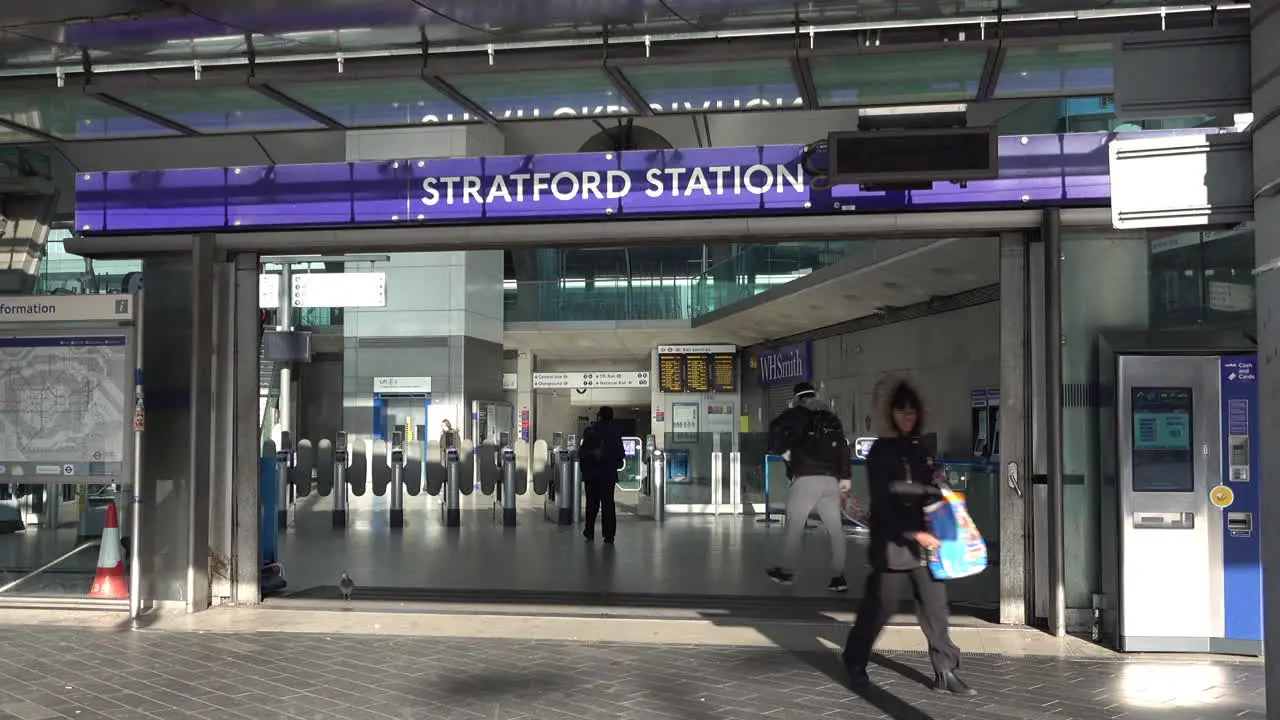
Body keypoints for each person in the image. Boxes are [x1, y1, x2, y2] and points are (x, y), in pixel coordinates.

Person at [842, 379, 975, 696]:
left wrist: (940, 492)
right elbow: (883, 502)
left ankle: (945, 670)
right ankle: (854, 659)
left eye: (911, 410)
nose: (907, 416)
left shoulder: (919, 448)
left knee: (935, 609)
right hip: (892, 544)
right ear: (891, 413)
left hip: (925, 545)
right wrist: (914, 532)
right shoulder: (880, 452)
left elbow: (928, 491)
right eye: (901, 410)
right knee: (879, 608)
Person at [764, 382, 852, 592]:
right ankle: (838, 578)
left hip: (806, 478)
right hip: (831, 480)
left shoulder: (795, 414)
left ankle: (786, 571)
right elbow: (843, 447)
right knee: (836, 530)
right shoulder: (831, 417)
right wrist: (845, 476)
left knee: (794, 526)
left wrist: (783, 451)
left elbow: (775, 428)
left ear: (797, 398)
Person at [578, 406, 625, 544]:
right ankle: (609, 535)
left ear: (599, 416)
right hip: (608, 475)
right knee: (608, 504)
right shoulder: (615, 432)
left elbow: (582, 453)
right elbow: (620, 454)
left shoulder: (590, 431)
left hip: (592, 474)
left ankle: (589, 531)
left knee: (591, 504)